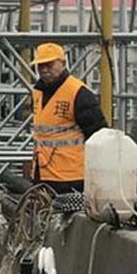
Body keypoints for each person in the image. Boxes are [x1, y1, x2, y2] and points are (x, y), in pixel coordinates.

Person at [30, 42, 107, 193]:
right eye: (40, 66)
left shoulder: (78, 93)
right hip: (43, 172)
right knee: (46, 214)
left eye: (49, 65)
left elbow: (99, 135)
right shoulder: (38, 93)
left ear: (63, 63)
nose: (44, 70)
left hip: (71, 176)